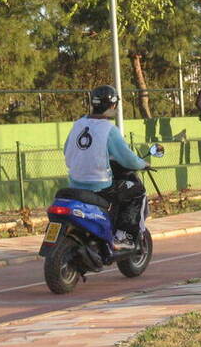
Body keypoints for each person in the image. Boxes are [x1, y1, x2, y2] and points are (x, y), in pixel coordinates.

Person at [64, 85, 149, 251]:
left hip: (74, 184)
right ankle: (123, 236)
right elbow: (127, 158)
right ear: (113, 106)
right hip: (100, 186)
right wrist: (143, 164)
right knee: (137, 190)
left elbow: (67, 150)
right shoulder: (109, 129)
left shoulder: (78, 124)